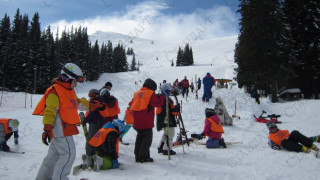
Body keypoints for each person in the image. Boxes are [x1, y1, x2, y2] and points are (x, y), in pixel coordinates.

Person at [33, 63, 89, 180]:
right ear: (66, 78)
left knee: (53, 156)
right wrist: (47, 128)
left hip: (64, 128)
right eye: (75, 81)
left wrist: (90, 104)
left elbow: (77, 103)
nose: (76, 84)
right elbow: (50, 111)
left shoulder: (69, 91)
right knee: (68, 155)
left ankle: (42, 178)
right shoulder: (55, 91)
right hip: (61, 129)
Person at [129, 78, 164, 163]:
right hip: (146, 120)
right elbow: (157, 103)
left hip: (137, 120)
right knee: (147, 139)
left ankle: (138, 155)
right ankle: (142, 157)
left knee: (140, 137)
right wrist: (162, 96)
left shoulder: (137, 93)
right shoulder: (150, 93)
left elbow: (130, 104)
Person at [156, 85, 180, 156]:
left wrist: (175, 109)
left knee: (166, 134)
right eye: (169, 90)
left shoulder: (164, 98)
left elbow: (169, 109)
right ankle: (167, 149)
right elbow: (167, 111)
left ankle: (161, 147)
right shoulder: (163, 99)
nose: (170, 92)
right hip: (167, 120)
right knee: (170, 134)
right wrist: (175, 109)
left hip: (167, 120)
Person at [83, 89, 106, 156]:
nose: (91, 97)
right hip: (96, 122)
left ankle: (90, 153)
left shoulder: (96, 103)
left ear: (96, 94)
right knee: (95, 137)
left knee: (92, 138)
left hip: (96, 122)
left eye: (92, 95)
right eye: (89, 95)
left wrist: (85, 120)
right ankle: (95, 152)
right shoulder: (96, 101)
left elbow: (92, 113)